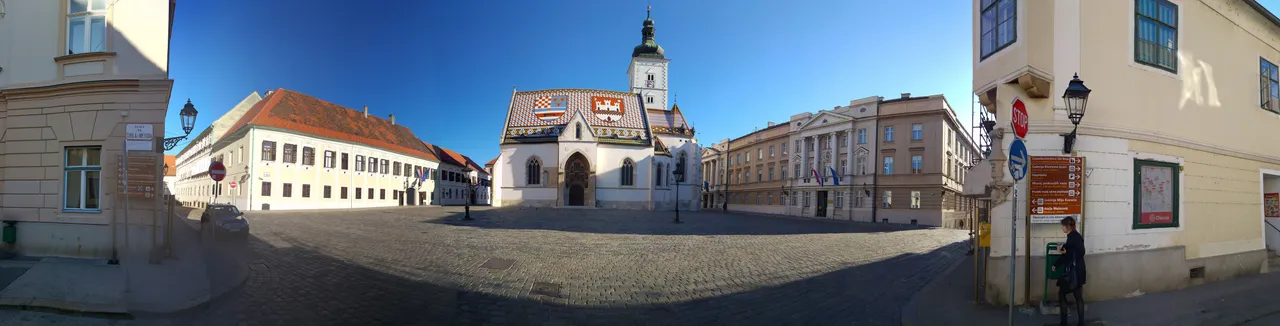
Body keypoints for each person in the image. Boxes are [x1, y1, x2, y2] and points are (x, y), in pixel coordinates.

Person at [1051, 216, 1087, 326]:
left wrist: (1058, 262)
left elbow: (1074, 253)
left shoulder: (1072, 237)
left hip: (1073, 272)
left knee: (1062, 294)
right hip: (1079, 271)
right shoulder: (1076, 236)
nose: (1062, 228)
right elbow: (1072, 251)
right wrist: (1059, 261)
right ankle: (1080, 323)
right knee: (1078, 297)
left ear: (1068, 227)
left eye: (1063, 226)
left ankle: (1064, 322)